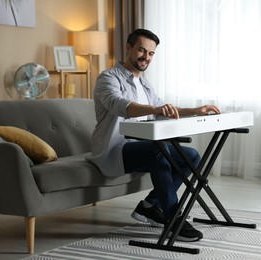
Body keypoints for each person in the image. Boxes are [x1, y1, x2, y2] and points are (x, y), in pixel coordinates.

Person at [88, 28, 220, 242]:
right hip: (113, 150)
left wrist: (196, 110)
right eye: (141, 50)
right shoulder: (108, 78)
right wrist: (154, 110)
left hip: (140, 149)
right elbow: (120, 105)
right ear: (128, 48)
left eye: (151, 53)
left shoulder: (144, 84)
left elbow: (163, 109)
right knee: (158, 151)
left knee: (192, 156)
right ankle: (173, 218)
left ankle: (150, 206)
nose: (146, 57)